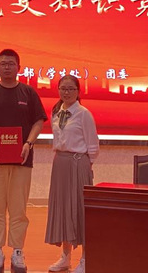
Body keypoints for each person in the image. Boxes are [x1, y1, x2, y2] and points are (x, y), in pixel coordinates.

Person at [0, 48, 47, 273]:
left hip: (22, 159)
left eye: (11, 63)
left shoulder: (28, 92)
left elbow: (38, 121)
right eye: (3, 64)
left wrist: (28, 143)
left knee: (19, 209)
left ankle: (17, 251)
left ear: (19, 67)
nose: (7, 67)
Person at [45, 75, 99, 273]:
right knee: (62, 209)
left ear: (78, 92)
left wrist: (85, 166)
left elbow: (93, 146)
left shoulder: (83, 114)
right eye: (63, 89)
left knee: (79, 210)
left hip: (78, 164)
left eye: (70, 89)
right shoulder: (56, 111)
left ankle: (85, 258)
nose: (66, 92)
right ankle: (65, 257)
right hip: (60, 164)